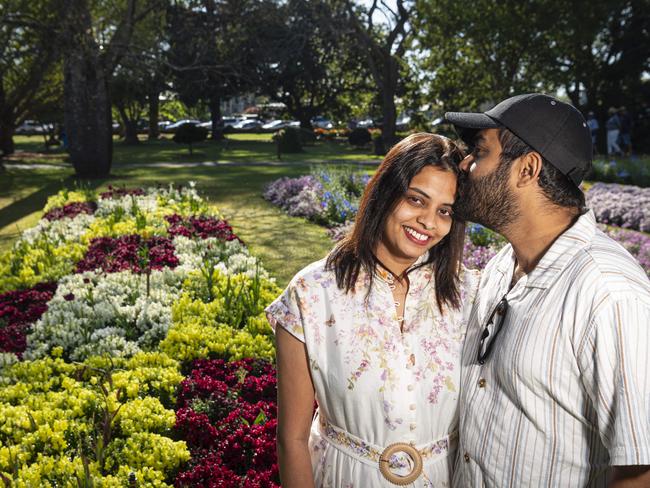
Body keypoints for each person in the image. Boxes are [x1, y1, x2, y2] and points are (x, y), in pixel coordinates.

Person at [445, 93, 650, 487]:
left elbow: (641, 470)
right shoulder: (503, 265)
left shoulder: (609, 294)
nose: (465, 163)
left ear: (527, 168)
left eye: (480, 151)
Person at [266, 133, 480, 487]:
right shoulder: (312, 293)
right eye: (416, 200)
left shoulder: (469, 294)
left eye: (444, 211)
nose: (428, 222)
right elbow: (292, 439)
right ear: (384, 194)